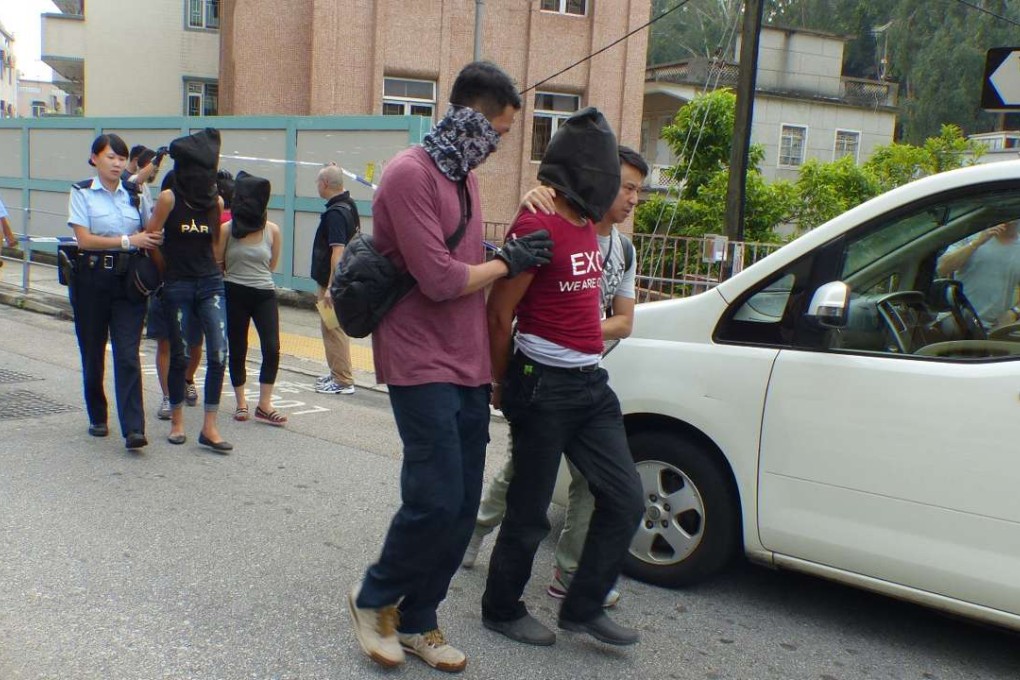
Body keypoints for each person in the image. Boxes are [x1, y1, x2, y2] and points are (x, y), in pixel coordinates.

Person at [347, 61, 553, 673]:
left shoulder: (463, 176)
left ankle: (418, 619)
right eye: (500, 130)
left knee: (462, 504)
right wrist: (506, 264)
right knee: (434, 497)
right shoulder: (408, 174)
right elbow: (438, 279)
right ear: (470, 117)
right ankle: (374, 596)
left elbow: (461, 253)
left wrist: (501, 251)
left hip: (463, 357)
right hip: (417, 355)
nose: (500, 143)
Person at [481, 108, 644, 648]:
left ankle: (582, 607)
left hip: (590, 385)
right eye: (611, 179)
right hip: (542, 381)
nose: (624, 194)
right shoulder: (539, 221)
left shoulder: (588, 223)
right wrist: (502, 383)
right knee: (528, 513)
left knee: (624, 498)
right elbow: (499, 312)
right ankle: (501, 608)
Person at [67, 133, 162, 450]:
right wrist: (127, 241)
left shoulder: (135, 193)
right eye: (110, 157)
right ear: (95, 158)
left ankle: (134, 427)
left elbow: (149, 230)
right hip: (91, 280)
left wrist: (152, 239)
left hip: (128, 283)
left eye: (121, 158)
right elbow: (84, 239)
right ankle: (97, 414)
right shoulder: (82, 193)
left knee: (128, 355)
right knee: (93, 353)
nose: (117, 163)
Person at [145, 128, 232, 452]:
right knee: (180, 353)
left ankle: (209, 427)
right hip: (178, 283)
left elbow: (213, 244)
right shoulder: (169, 198)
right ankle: (178, 421)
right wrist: (166, 271)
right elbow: (151, 237)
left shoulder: (216, 201)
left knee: (219, 352)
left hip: (210, 283)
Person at [217, 171, 285, 425]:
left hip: (264, 293)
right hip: (234, 290)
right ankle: (241, 402)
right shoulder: (227, 230)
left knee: (272, 346)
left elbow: (272, 264)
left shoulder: (273, 230)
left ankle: (264, 403)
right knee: (238, 346)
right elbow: (218, 261)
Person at [148, 171, 204, 420]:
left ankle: (188, 379)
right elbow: (152, 246)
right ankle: (169, 396)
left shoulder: (200, 214)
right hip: (166, 287)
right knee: (165, 342)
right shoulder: (159, 217)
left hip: (196, 286)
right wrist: (164, 272)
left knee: (195, 341)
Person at [311, 164, 358, 396]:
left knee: (333, 328)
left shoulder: (336, 213)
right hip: (342, 280)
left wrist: (330, 286)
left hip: (332, 284)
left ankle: (342, 380)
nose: (317, 186)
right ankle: (336, 373)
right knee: (332, 327)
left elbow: (337, 251)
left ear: (325, 184)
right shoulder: (349, 206)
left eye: (318, 182)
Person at [936, 220, 1020, 328]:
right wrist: (976, 243)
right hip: (955, 319)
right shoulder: (970, 235)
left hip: (992, 328)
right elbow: (942, 268)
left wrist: (1015, 312)